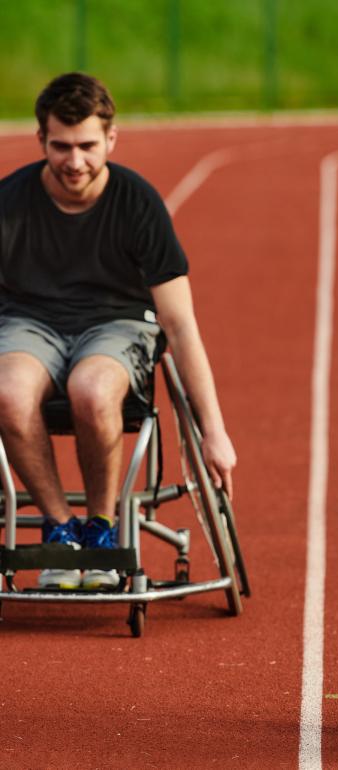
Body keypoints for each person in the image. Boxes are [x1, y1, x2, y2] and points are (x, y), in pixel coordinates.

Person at [0, 73, 236, 590]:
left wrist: (213, 430)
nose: (75, 161)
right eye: (60, 146)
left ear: (111, 139)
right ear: (40, 140)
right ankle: (62, 530)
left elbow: (179, 323)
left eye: (87, 145)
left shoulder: (138, 205)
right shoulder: (10, 203)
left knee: (91, 388)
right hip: (28, 324)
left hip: (116, 325)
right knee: (8, 391)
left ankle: (103, 530)